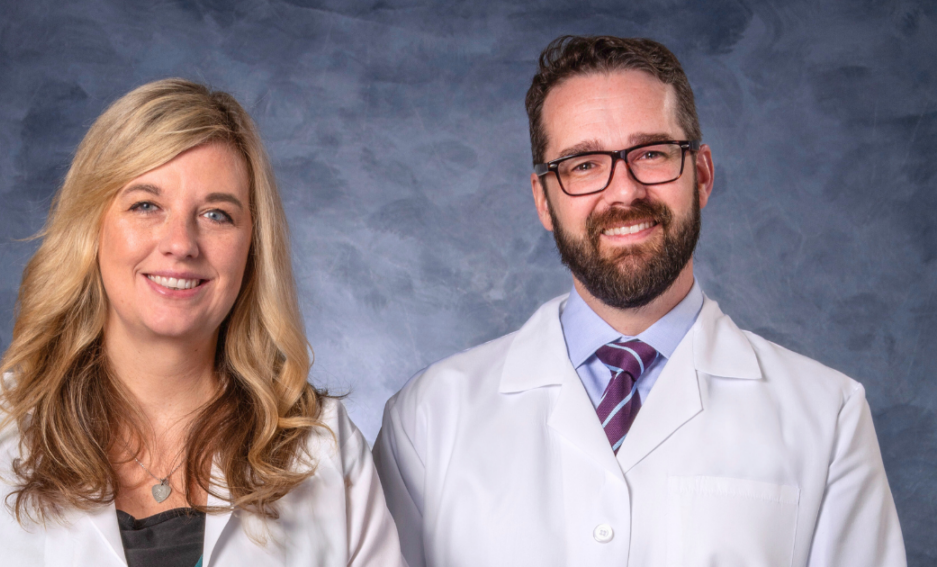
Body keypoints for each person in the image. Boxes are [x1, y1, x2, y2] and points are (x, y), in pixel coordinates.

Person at [373, 35, 906, 567]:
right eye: (583, 164)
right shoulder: (428, 418)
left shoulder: (827, 415)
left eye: (651, 153)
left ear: (700, 175)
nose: (624, 192)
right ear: (543, 199)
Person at [0, 78, 404, 566]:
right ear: (92, 228)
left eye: (217, 213)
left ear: (253, 248)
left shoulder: (319, 445)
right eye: (146, 204)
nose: (180, 243)